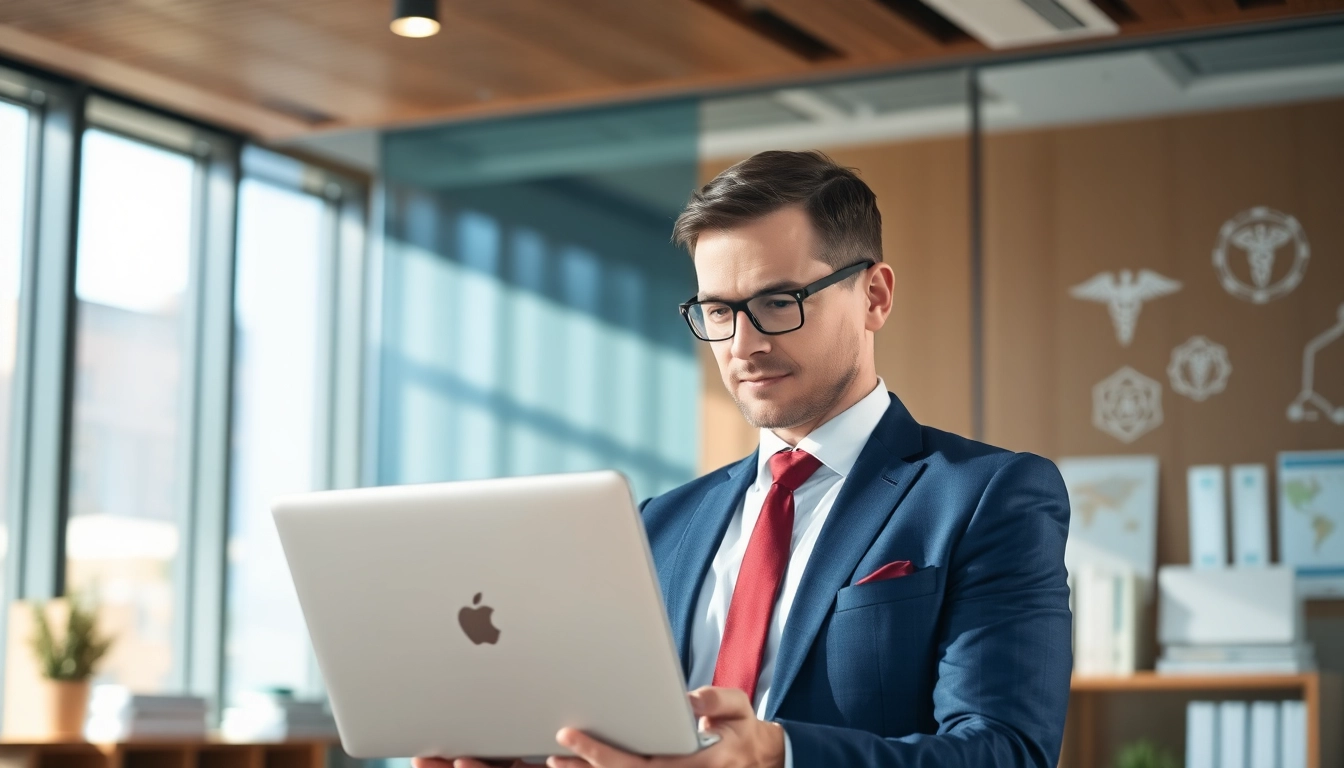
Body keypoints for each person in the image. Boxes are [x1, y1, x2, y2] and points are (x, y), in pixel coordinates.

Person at [420, 150, 1073, 768]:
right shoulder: (659, 525)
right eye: (717, 311)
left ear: (874, 296)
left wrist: (774, 754)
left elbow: (1006, 751)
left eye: (776, 303)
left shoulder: (990, 495)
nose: (743, 343)